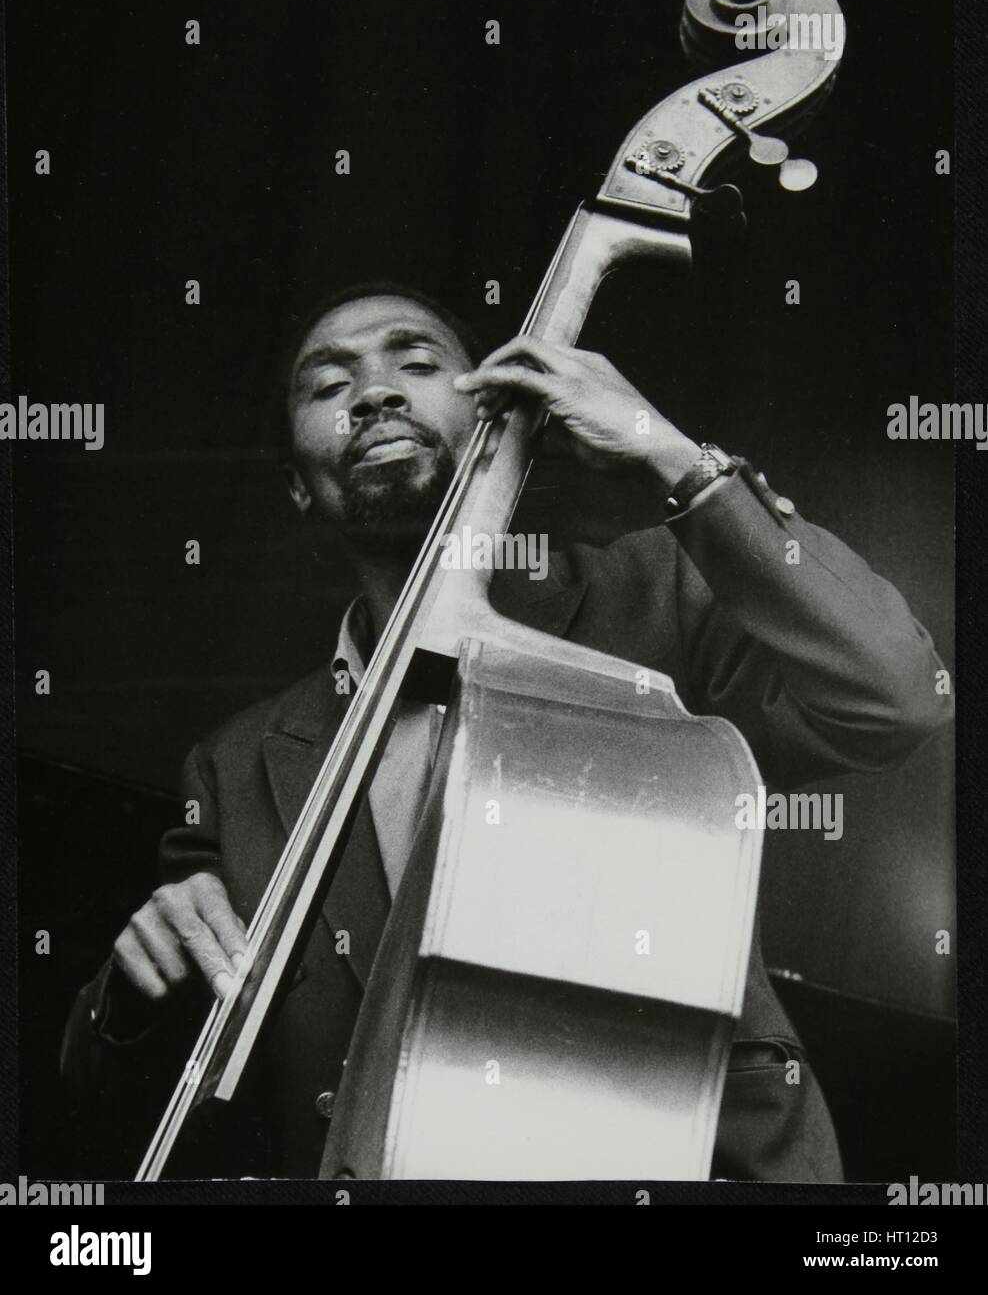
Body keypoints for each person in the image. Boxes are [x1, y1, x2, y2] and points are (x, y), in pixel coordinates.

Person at [62, 283, 952, 1181]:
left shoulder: (652, 604)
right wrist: (137, 986)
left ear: (500, 418)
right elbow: (114, 1097)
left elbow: (896, 696)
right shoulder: (235, 762)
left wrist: (669, 453)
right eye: (328, 386)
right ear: (297, 484)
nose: (374, 392)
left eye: (417, 363)